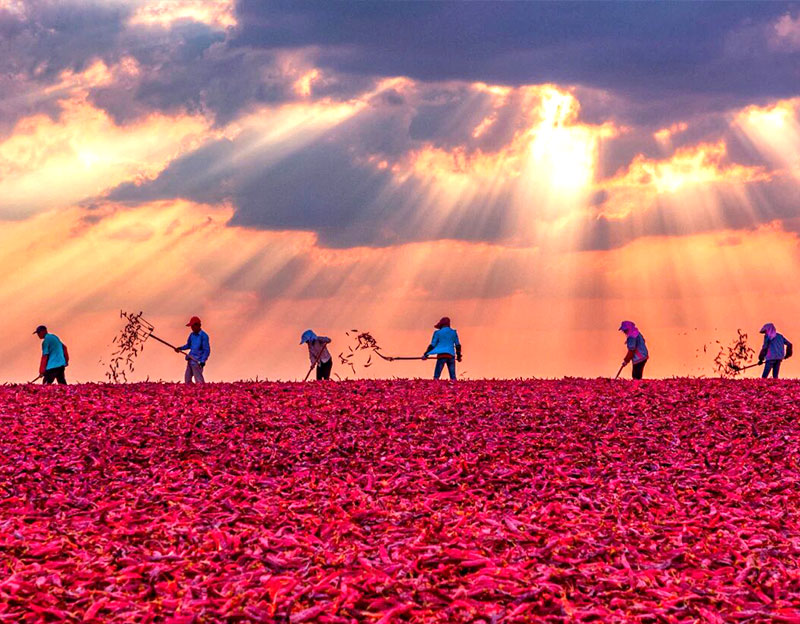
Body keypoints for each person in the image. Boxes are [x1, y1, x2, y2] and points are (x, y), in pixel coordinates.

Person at [175, 316, 210, 384]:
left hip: (197, 361)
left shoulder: (204, 336)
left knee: (198, 380)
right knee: (187, 379)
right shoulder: (192, 335)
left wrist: (203, 361)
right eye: (191, 326)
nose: (192, 328)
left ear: (198, 325)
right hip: (190, 359)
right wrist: (180, 348)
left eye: (193, 326)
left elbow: (206, 350)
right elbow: (188, 345)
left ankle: (200, 392)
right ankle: (192, 393)